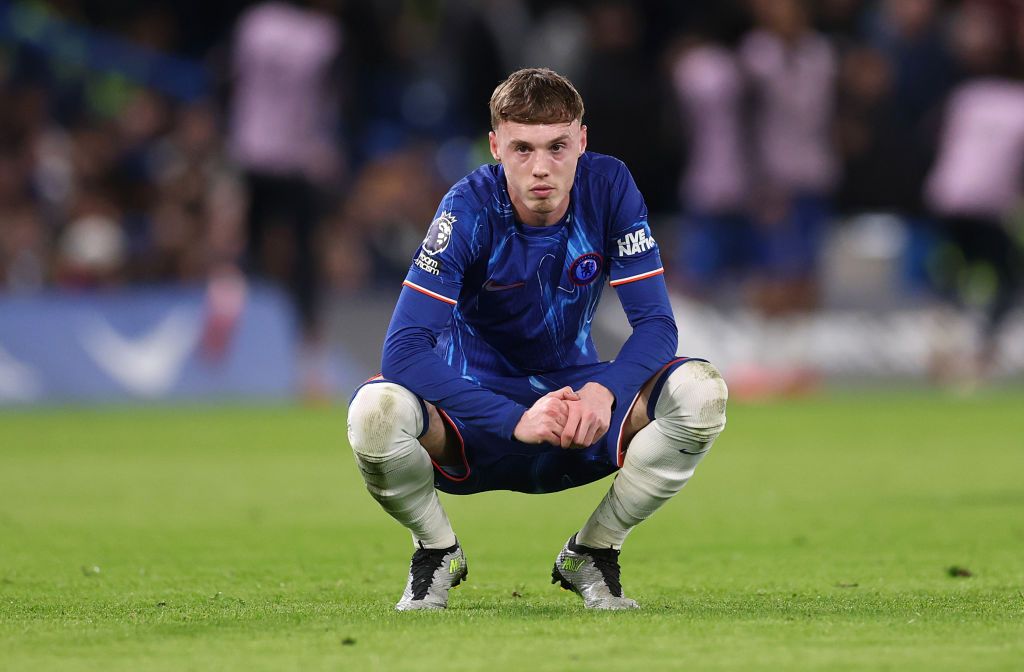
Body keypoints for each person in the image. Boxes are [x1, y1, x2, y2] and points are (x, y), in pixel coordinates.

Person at [346, 68, 728, 611]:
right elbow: (403, 349)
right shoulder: (468, 208)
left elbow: (657, 326)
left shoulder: (609, 187)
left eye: (557, 146)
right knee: (374, 412)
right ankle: (435, 550)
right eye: (522, 148)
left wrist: (606, 392)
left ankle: (595, 551)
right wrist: (511, 418)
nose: (541, 168)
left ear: (582, 142)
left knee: (702, 392)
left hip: (576, 407)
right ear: (496, 146)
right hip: (474, 417)